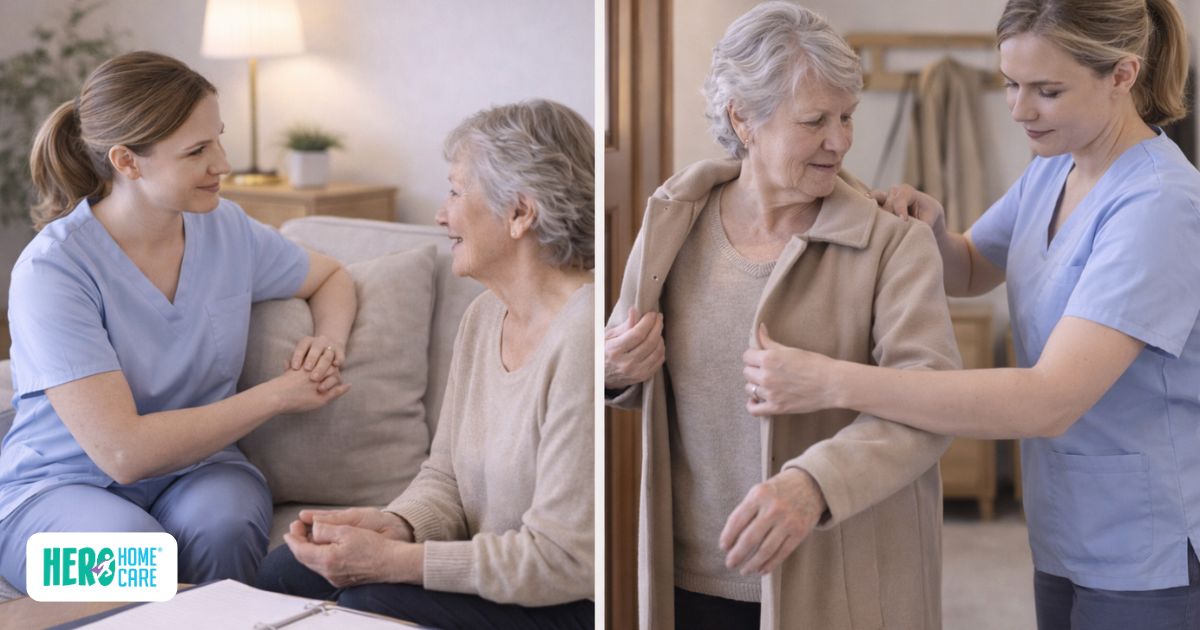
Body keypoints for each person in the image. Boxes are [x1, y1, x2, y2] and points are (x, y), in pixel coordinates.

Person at [755, 0, 1200, 627]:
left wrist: (831, 380)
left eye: (1047, 90)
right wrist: (931, 232)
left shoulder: (1156, 205)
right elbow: (967, 267)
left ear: (1122, 76)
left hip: (1146, 546)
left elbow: (1048, 401)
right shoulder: (1054, 169)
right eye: (1011, 85)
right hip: (1071, 528)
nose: (1020, 110)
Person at [603, 3, 961, 629]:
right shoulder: (672, 222)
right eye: (815, 120)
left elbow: (930, 411)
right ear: (743, 118)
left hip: (837, 579)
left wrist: (812, 485)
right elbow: (634, 367)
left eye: (847, 116)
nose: (842, 140)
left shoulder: (891, 244)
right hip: (693, 575)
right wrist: (613, 369)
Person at [0, 51, 357, 592]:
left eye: (218, 138)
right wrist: (281, 394)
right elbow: (124, 454)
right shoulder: (54, 271)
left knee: (227, 522)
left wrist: (327, 342)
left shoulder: (227, 229)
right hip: (51, 492)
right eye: (197, 150)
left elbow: (331, 277)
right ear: (127, 161)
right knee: (136, 560)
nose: (223, 163)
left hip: (199, 469)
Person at [255, 99, 595, 630]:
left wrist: (395, 563)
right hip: (494, 579)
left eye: (457, 191)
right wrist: (397, 526)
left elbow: (562, 561)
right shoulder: (486, 315)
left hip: (568, 602)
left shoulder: (584, 339)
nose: (440, 213)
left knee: (371, 607)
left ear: (520, 213)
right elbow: (446, 477)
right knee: (283, 572)